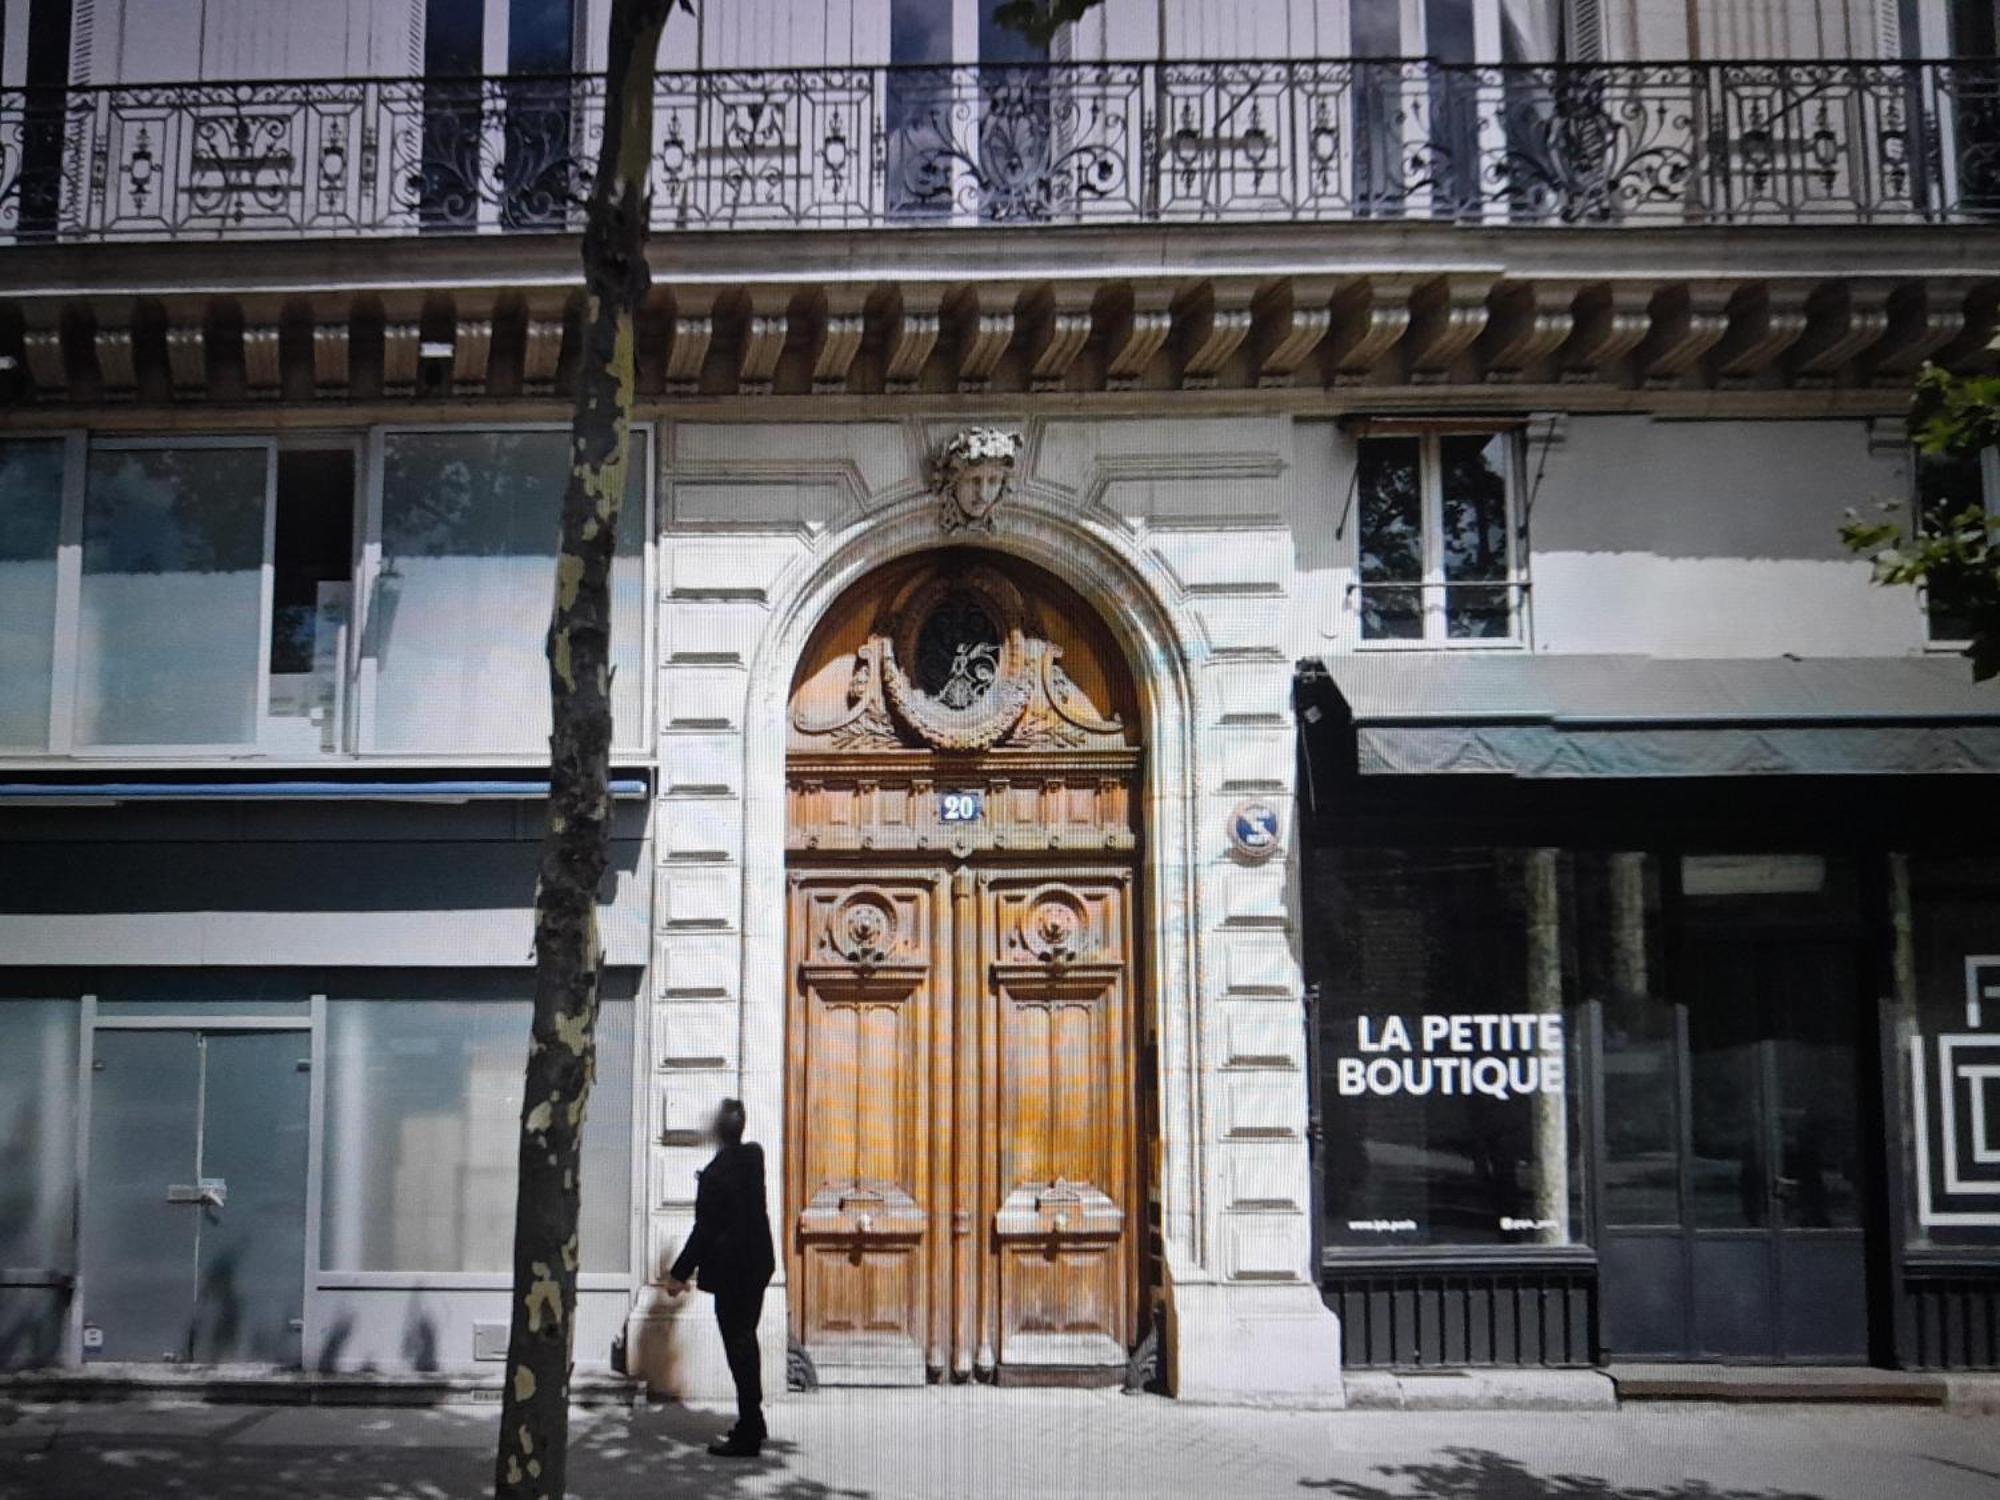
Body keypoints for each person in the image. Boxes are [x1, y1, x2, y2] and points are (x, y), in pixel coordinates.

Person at [666, 1098, 776, 1458]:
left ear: (717, 1130)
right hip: (757, 1267)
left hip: (732, 1274)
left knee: (739, 1350)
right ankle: (753, 1420)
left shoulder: (715, 1176)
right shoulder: (754, 1158)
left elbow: (704, 1231)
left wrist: (679, 1274)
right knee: (747, 1343)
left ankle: (748, 1431)